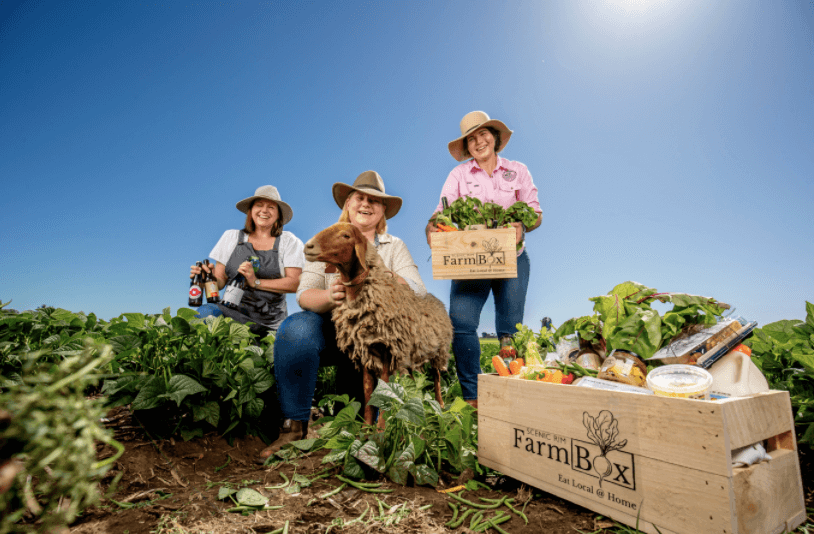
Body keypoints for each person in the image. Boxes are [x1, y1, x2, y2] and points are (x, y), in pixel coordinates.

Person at [258, 171, 426, 460]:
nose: (366, 204)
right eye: (360, 197)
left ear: (383, 210)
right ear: (348, 203)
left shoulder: (393, 246)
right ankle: (294, 427)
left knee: (359, 425)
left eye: (375, 201)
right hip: (336, 332)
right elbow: (304, 294)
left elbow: (419, 292)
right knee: (296, 330)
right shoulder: (325, 240)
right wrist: (330, 296)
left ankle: (374, 426)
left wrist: (380, 274)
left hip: (377, 340)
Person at [425, 111, 542, 408]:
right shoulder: (459, 175)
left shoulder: (517, 170)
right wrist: (433, 227)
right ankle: (473, 397)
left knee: (510, 328)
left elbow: (535, 212)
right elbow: (443, 211)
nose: (479, 141)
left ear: (495, 136)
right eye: (472, 138)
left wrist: (521, 225)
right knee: (462, 323)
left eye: (483, 134)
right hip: (471, 259)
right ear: (467, 146)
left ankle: (509, 392)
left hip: (512, 257)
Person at [190, 185, 304, 337]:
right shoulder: (230, 237)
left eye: (271, 207)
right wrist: (208, 276)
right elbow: (220, 282)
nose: (264, 210)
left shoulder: (289, 241)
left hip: (270, 324)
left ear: (278, 215)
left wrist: (255, 281)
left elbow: (295, 282)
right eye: (259, 205)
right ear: (251, 211)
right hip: (230, 314)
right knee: (206, 312)